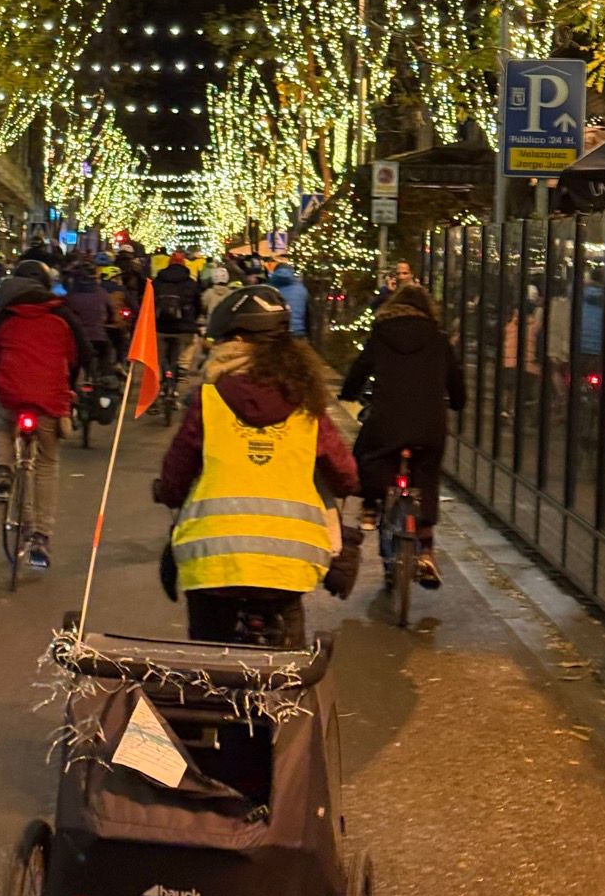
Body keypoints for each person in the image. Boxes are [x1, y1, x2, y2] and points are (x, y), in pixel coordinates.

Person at [156, 285, 358, 648]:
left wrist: (167, 491)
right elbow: (344, 475)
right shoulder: (306, 403)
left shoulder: (209, 399)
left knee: (209, 657)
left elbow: (177, 472)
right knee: (289, 665)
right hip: (290, 559)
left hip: (214, 559)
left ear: (234, 341)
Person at [339, 284, 465, 589]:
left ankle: (371, 506)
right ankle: (426, 549)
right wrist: (457, 402)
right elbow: (456, 382)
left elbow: (360, 369)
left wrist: (348, 393)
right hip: (428, 424)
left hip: (388, 421)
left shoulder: (381, 334)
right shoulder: (439, 339)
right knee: (427, 475)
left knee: (366, 453)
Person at [0, 259, 86, 568]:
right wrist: (69, 387)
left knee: (3, 425)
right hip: (49, 400)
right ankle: (41, 536)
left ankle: (3, 470)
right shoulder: (60, 318)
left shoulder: (7, 317)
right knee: (46, 464)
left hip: (13, 395)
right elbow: (77, 356)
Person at [153, 251, 200, 391]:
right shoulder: (191, 283)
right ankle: (182, 368)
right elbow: (198, 304)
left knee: (159, 352)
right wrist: (192, 319)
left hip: (160, 327)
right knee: (192, 342)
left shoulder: (157, 282)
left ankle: (160, 375)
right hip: (183, 327)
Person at [64, 262, 114, 374]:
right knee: (106, 354)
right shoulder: (102, 293)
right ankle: (105, 376)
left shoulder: (70, 297)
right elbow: (111, 312)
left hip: (77, 340)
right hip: (99, 337)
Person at [268, 261, 311, 337]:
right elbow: (308, 316)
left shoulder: (266, 288)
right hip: (297, 332)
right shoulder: (301, 289)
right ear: (292, 272)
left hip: (272, 333)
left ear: (274, 272)